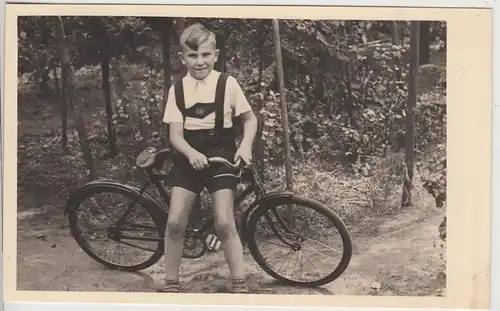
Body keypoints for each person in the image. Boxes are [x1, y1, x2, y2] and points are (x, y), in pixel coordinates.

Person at [160, 23, 258, 294]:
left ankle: (239, 283)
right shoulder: (177, 90)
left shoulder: (228, 84)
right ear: (183, 58)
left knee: (224, 221)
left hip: (222, 154)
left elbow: (250, 120)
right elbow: (175, 136)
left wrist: (245, 146)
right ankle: (171, 282)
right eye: (192, 56)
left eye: (205, 55)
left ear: (215, 55)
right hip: (188, 156)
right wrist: (191, 154)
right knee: (175, 221)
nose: (199, 62)